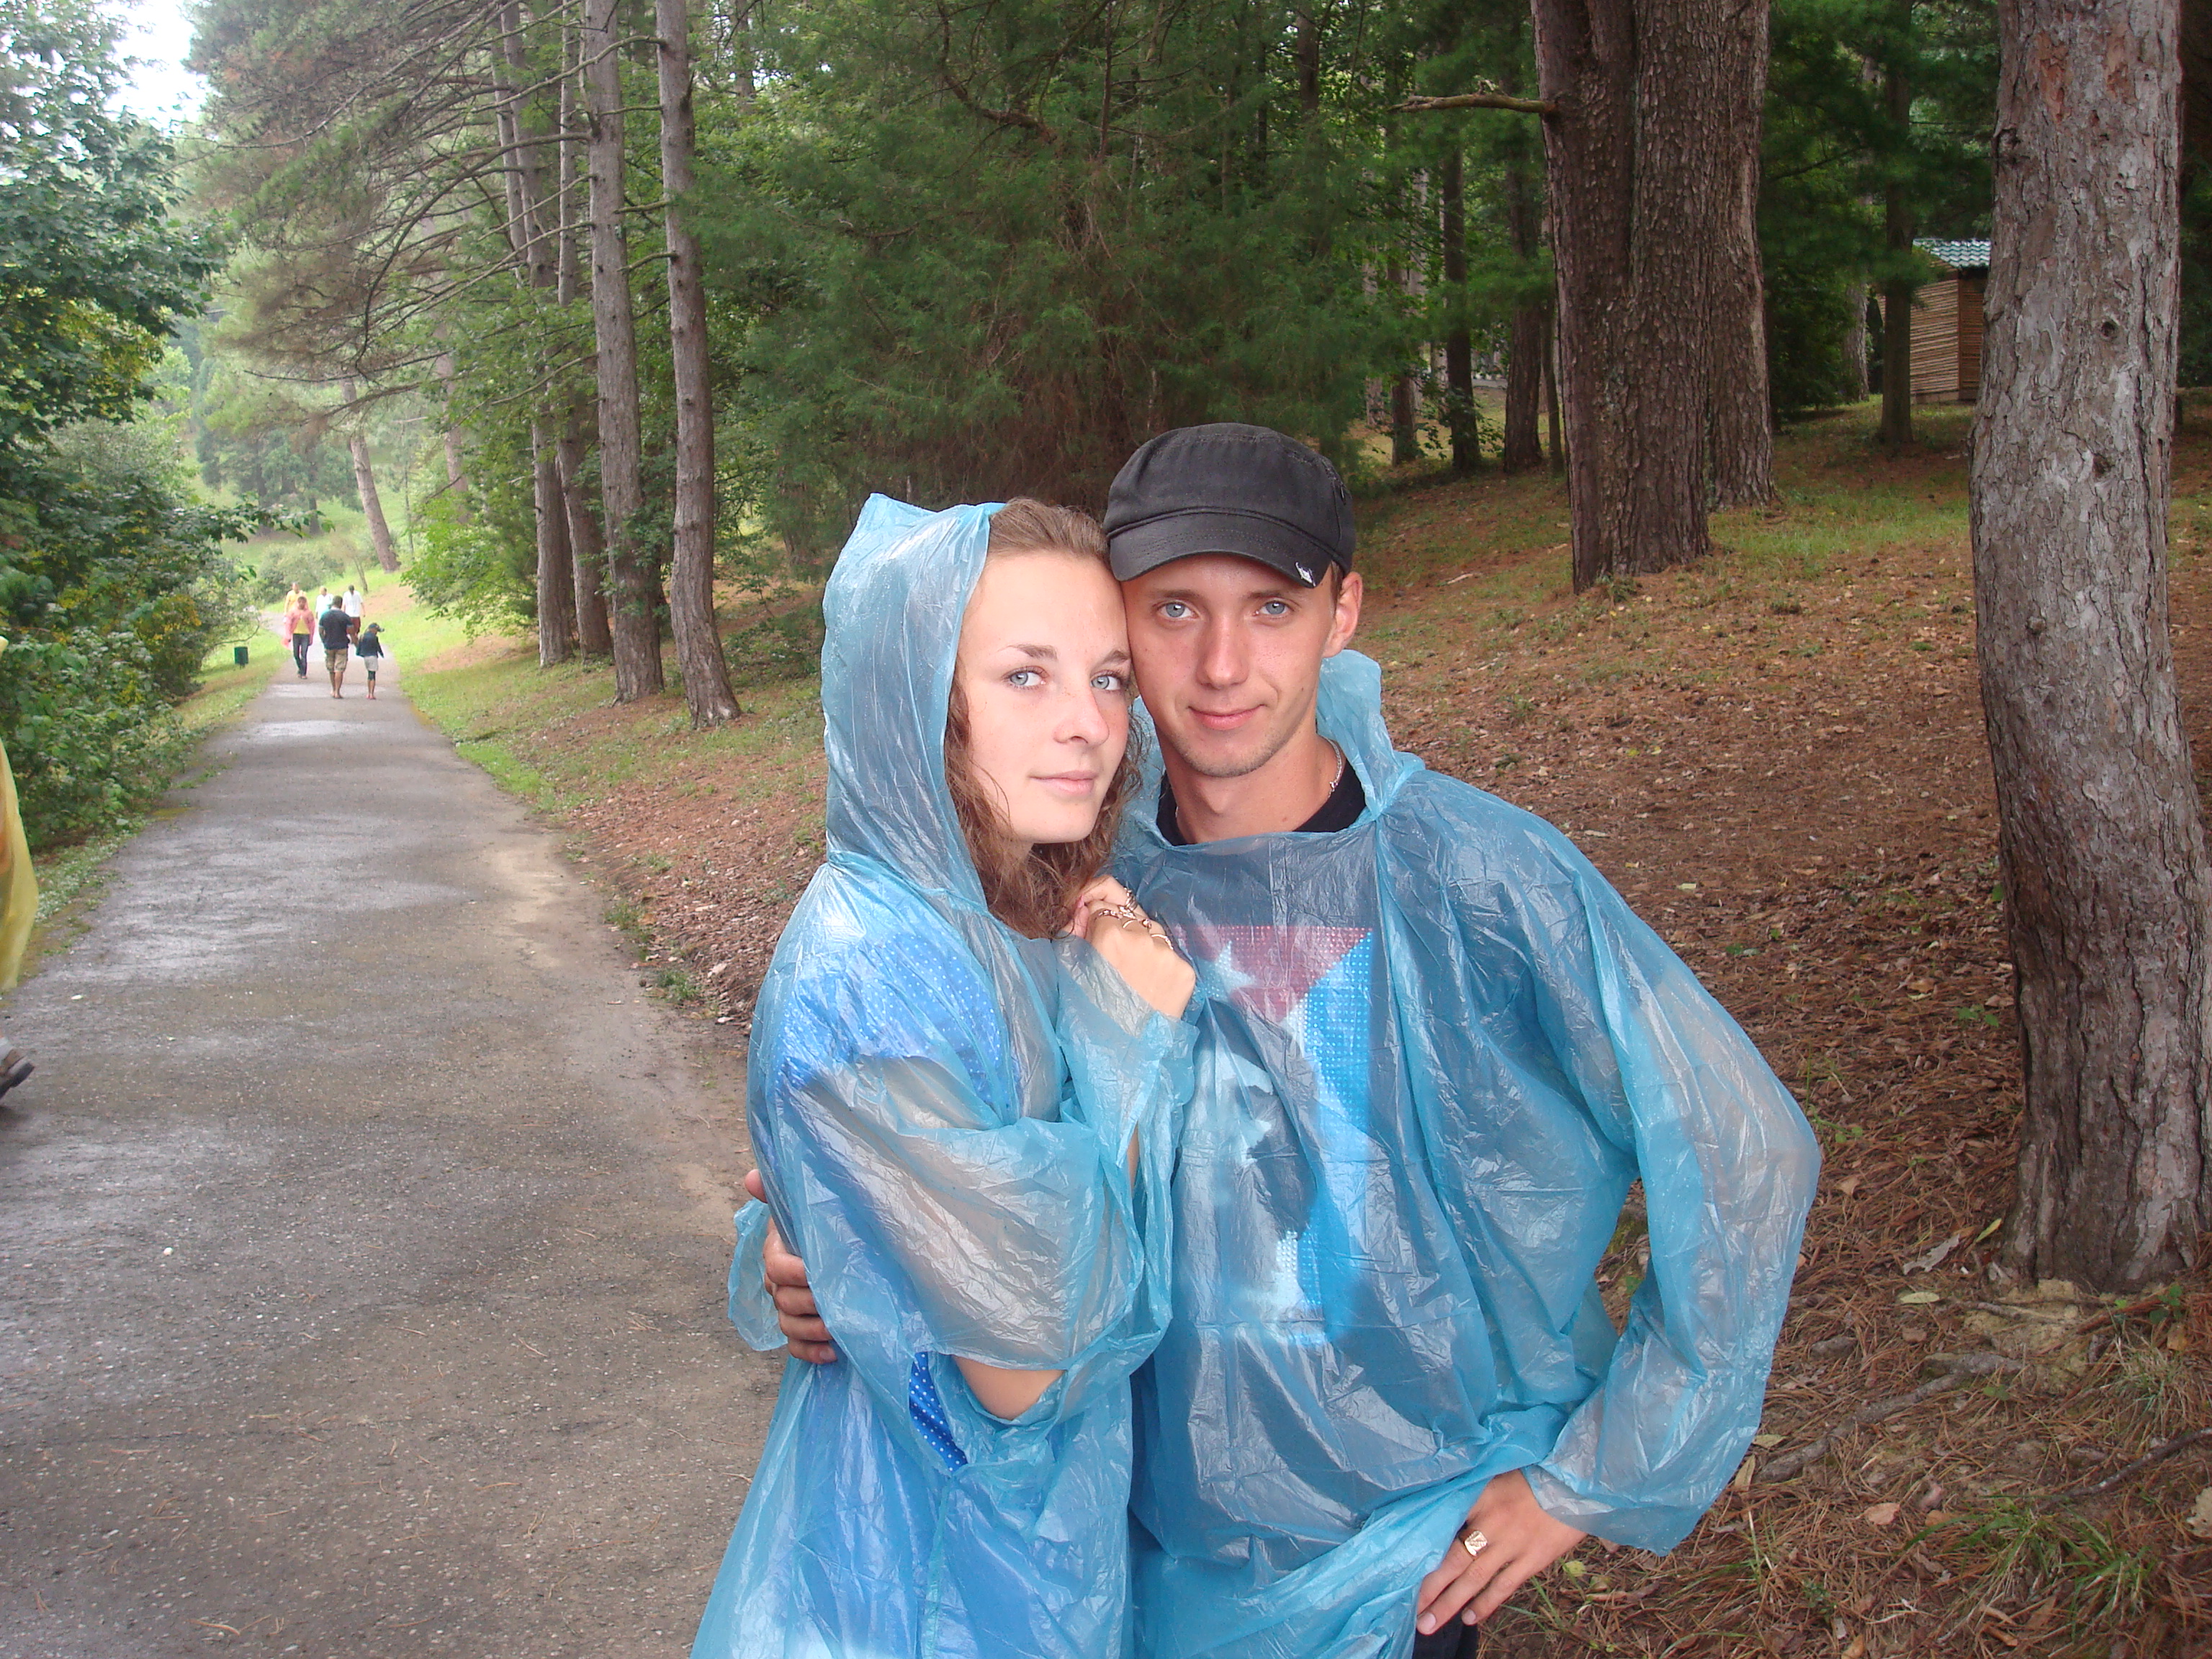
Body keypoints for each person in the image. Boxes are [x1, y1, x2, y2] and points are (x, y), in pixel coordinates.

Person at [761, 426, 1821, 1657]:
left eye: (1272, 605)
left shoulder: (1473, 878)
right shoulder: (1066, 872)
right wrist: (830, 1242)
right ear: (1122, 620)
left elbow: (1740, 1149)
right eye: (1173, 610)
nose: (1222, 664)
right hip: (1122, 1565)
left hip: (1392, 1564)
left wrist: (1592, 1474)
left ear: (1343, 612)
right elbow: (933, 1107)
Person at [693, 496, 1200, 1659]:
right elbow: (1021, 1369)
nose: (1088, 723)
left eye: (1109, 678)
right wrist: (1128, 1032)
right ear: (913, 696)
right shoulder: (873, 967)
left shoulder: (1005, 903)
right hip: (913, 1593)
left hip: (1020, 1570)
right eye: (1026, 675)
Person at [317, 593, 357, 698]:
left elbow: (320, 631)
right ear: (341, 604)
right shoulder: (345, 617)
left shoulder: (325, 616)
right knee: (339, 668)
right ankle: (337, 692)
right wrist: (356, 644)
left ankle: (333, 689)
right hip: (342, 645)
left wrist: (324, 640)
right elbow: (352, 632)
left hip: (329, 645)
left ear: (333, 603)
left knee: (331, 668)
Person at [282, 590, 315, 679]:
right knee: (296, 654)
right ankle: (300, 668)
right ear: (298, 602)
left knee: (304, 654)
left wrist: (311, 637)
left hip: (305, 635)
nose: (302, 604)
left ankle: (304, 673)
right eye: (300, 602)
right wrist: (288, 635)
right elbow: (288, 623)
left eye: (303, 602)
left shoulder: (309, 612)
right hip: (296, 634)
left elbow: (312, 625)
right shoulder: (293, 612)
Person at [354, 622, 386, 699]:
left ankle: (369, 693)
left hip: (366, 658)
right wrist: (382, 654)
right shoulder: (374, 638)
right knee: (372, 675)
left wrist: (359, 653)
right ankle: (372, 694)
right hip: (373, 657)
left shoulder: (362, 636)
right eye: (376, 630)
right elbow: (378, 647)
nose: (377, 632)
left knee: (369, 675)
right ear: (373, 630)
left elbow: (359, 647)